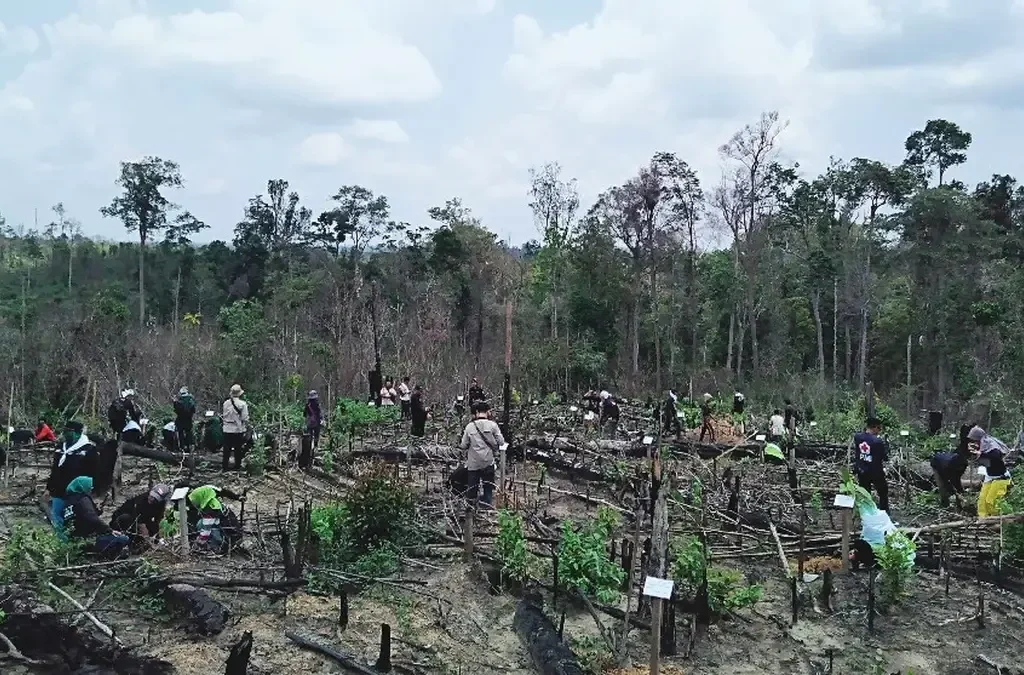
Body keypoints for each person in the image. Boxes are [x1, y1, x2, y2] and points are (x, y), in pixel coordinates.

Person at [46, 421, 97, 532]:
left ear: (77, 433)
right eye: (64, 431)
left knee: (73, 519)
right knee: (57, 519)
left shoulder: (88, 450)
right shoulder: (60, 448)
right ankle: (60, 544)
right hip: (58, 490)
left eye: (68, 432)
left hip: (76, 493)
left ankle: (74, 545)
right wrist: (49, 488)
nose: (65, 434)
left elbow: (93, 473)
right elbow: (55, 469)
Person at [62, 476, 129, 559]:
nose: (91, 489)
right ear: (83, 487)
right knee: (123, 538)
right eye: (90, 486)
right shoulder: (83, 499)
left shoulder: (67, 501)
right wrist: (109, 530)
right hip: (88, 540)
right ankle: (108, 556)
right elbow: (91, 518)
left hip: (73, 541)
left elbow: (82, 516)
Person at [459, 402, 505, 507]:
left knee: (472, 488)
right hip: (488, 462)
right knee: (488, 487)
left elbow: (463, 445)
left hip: (473, 463)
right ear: (486, 412)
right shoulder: (493, 425)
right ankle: (486, 507)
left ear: (476, 412)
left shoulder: (469, 427)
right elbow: (501, 442)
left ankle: (470, 509)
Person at [969, 425, 1012, 517]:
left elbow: (996, 456)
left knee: (991, 501)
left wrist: (980, 453)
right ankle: (983, 520)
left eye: (975, 440)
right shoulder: (981, 445)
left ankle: (996, 520)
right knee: (982, 501)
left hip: (1000, 478)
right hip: (989, 476)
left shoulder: (991, 445)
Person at [186, 485, 242, 553]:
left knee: (203, 525)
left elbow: (205, 532)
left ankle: (218, 547)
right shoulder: (212, 501)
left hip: (229, 538)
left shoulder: (211, 509)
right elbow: (222, 491)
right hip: (232, 533)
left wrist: (197, 544)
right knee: (202, 523)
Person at [930, 425, 971, 508]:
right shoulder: (948, 467)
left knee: (957, 489)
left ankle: (959, 506)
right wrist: (955, 491)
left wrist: (960, 492)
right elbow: (949, 479)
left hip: (947, 462)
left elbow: (957, 479)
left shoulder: (963, 464)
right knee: (943, 487)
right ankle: (944, 505)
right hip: (937, 463)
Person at [854, 417, 889, 512]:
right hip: (876, 472)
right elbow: (884, 457)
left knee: (865, 493)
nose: (879, 431)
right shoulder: (877, 441)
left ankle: (866, 513)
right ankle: (884, 512)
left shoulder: (857, 437)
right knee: (883, 493)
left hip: (862, 470)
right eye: (879, 428)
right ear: (875, 427)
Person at [222, 384, 250, 471]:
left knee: (227, 449)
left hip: (226, 429)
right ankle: (237, 466)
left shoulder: (225, 403)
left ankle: (225, 466)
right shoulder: (242, 404)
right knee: (238, 449)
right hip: (238, 429)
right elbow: (244, 418)